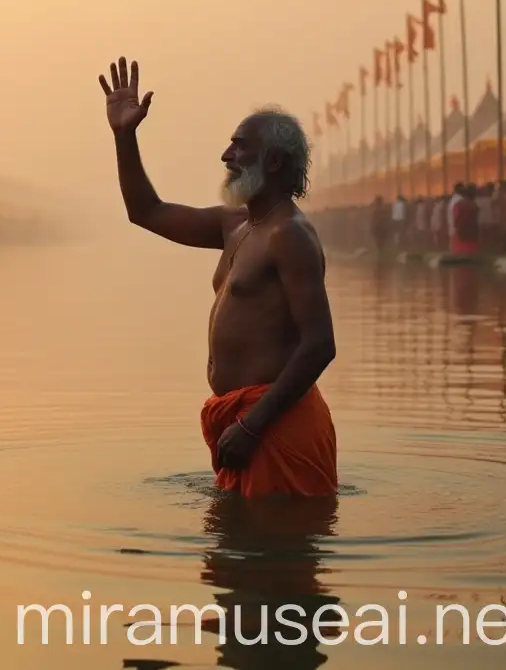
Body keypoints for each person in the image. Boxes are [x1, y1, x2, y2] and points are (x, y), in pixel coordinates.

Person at [100, 56, 337, 498]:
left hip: (275, 425)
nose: (226, 155)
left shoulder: (291, 235)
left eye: (239, 146)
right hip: (244, 423)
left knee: (278, 554)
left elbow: (320, 343)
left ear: (272, 162)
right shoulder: (237, 226)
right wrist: (124, 136)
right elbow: (146, 212)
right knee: (235, 560)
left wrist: (253, 424)